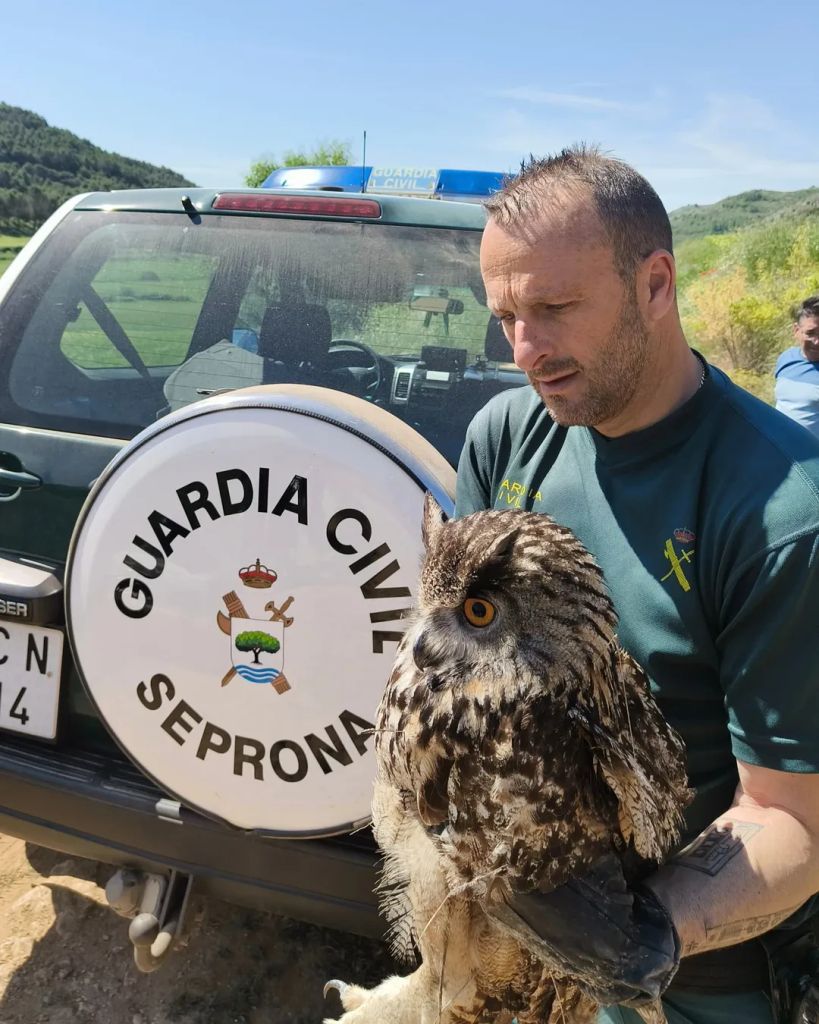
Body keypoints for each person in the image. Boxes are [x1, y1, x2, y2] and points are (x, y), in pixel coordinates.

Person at [455, 146, 819, 1024]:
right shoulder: (507, 439)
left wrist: (639, 935)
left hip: (701, 980)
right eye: (505, 315)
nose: (526, 351)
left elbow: (794, 820)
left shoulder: (778, 507)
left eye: (553, 308)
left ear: (655, 283)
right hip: (527, 952)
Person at [775, 295, 819, 437]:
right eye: (810, 333)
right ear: (796, 330)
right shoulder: (786, 359)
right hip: (778, 450)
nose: (817, 341)